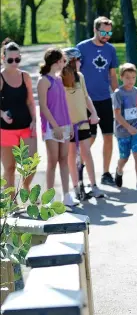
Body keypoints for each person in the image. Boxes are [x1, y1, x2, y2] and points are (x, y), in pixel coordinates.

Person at [77, 16, 119, 186]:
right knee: (90, 138)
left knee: (108, 136)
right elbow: (74, 72)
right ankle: (79, 168)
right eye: (103, 32)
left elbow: (113, 75)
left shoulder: (111, 49)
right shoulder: (82, 48)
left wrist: (117, 95)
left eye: (109, 32)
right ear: (95, 30)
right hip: (87, 101)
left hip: (105, 100)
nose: (106, 35)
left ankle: (106, 173)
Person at [37, 47, 79, 207]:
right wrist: (55, 127)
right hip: (51, 127)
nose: (65, 63)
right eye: (63, 60)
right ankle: (49, 198)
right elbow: (43, 107)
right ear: (56, 62)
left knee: (64, 160)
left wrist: (68, 126)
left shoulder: (59, 80)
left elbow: (64, 105)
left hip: (65, 125)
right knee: (52, 161)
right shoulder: (44, 81)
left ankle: (66, 195)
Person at [61, 47, 104, 199]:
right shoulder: (60, 79)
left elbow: (86, 97)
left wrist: (93, 113)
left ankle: (93, 185)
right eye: (78, 60)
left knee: (86, 152)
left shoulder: (80, 77)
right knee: (71, 154)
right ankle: (75, 187)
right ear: (69, 61)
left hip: (82, 121)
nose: (80, 62)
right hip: (68, 124)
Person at [0, 39, 37, 192]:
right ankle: (10, 202)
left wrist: (34, 119)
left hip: (26, 125)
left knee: (31, 164)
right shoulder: (0, 78)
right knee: (9, 168)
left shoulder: (25, 76)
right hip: (6, 129)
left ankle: (26, 188)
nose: (14, 63)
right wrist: (2, 114)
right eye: (10, 60)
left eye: (17, 59)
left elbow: (30, 101)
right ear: (3, 59)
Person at [113, 63, 137, 192]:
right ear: (121, 77)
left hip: (136, 129)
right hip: (123, 131)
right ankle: (119, 170)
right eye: (127, 77)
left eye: (133, 77)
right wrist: (128, 127)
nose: (130, 80)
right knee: (124, 157)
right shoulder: (118, 93)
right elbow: (117, 115)